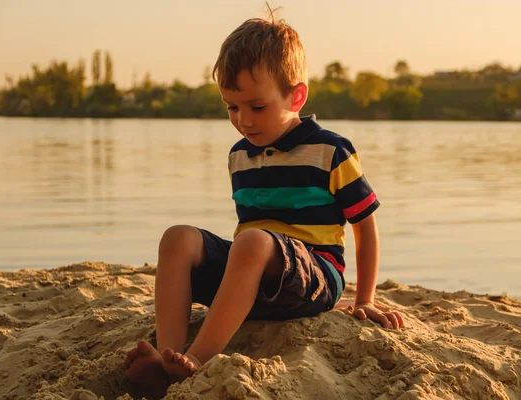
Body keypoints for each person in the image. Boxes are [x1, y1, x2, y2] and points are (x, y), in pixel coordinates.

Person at [122, 15, 404, 397]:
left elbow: (364, 224)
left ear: (296, 97)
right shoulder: (239, 155)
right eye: (232, 108)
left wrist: (365, 298)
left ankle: (197, 360)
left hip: (314, 275)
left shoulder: (330, 151)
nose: (243, 121)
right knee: (178, 238)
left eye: (256, 107)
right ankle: (166, 354)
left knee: (254, 241)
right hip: (252, 274)